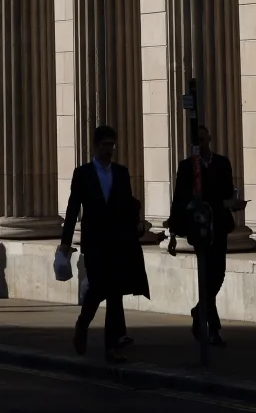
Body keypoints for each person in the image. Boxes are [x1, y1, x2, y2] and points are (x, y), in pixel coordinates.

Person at [58, 125, 148, 362]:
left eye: (112, 145)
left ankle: (112, 345)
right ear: (96, 146)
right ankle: (83, 324)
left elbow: (128, 204)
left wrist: (137, 223)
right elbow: (72, 210)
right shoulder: (83, 173)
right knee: (99, 287)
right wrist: (65, 244)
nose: (110, 150)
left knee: (115, 291)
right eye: (106, 145)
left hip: (117, 240)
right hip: (95, 242)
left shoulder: (121, 172)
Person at [170, 123, 237, 346]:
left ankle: (200, 311)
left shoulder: (222, 163)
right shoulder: (188, 167)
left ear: (210, 139)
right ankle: (213, 327)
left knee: (218, 274)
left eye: (204, 139)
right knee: (206, 275)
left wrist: (233, 203)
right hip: (199, 228)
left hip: (219, 225)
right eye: (197, 141)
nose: (201, 144)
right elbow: (179, 198)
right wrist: (173, 231)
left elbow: (229, 191)